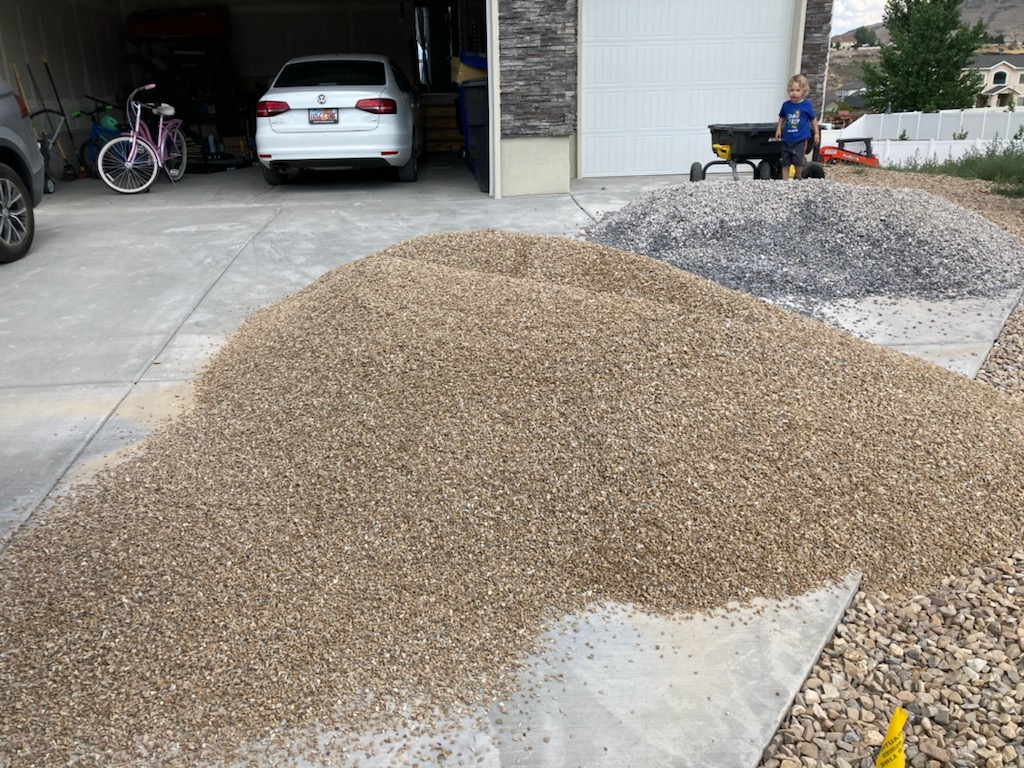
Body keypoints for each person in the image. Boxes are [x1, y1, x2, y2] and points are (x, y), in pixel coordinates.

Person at [774, 74, 819, 180]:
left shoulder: (806, 105)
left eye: (797, 90)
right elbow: (782, 117)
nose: (794, 93)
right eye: (792, 90)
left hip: (800, 139)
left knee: (798, 161)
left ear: (803, 91)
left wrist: (816, 133)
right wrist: (779, 128)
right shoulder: (786, 105)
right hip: (787, 138)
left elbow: (813, 119)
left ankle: (798, 177)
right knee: (785, 162)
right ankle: (785, 181)